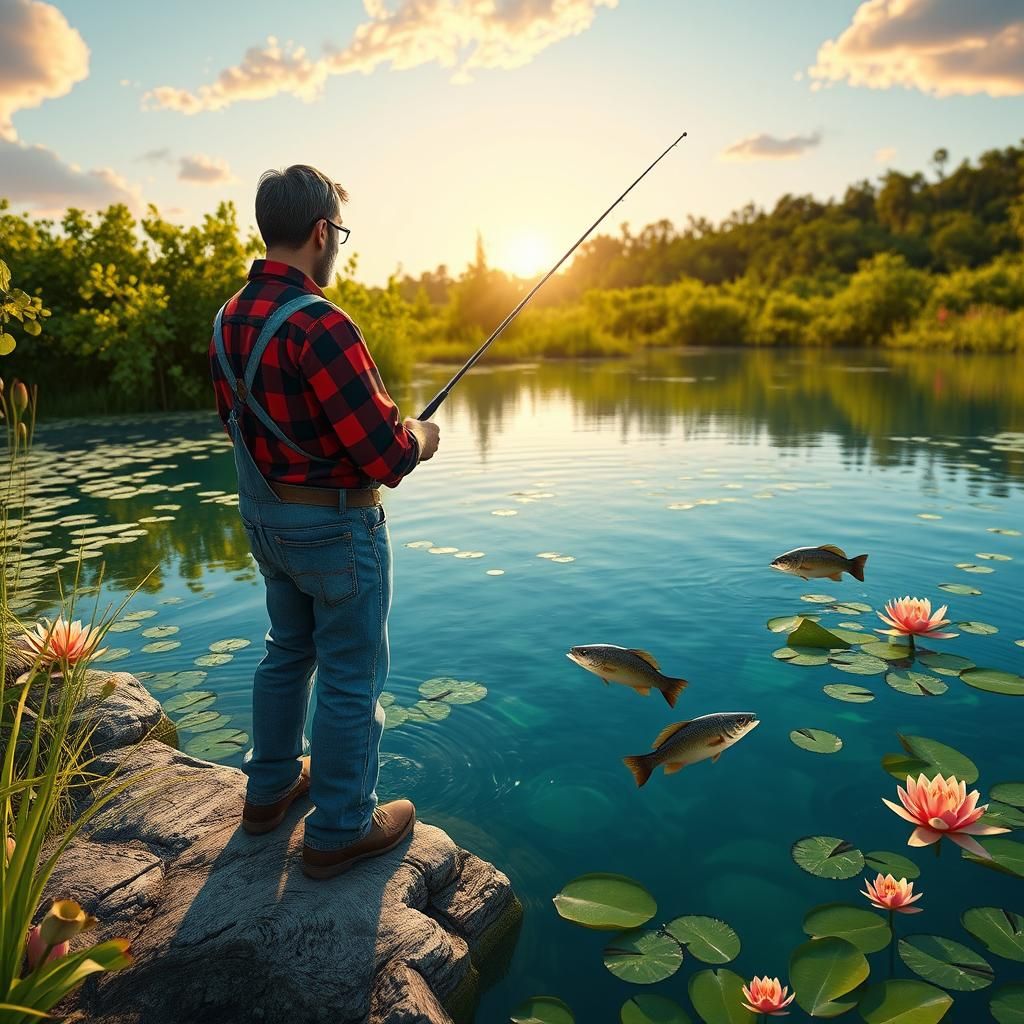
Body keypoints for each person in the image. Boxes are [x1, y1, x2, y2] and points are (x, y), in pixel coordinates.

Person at [209, 164, 440, 879]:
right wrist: (422, 436)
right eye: (338, 233)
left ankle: (269, 789)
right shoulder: (323, 324)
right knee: (349, 675)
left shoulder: (227, 317)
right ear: (319, 232)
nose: (336, 245)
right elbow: (385, 454)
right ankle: (340, 827)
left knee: (286, 650)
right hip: (336, 531)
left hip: (266, 523)